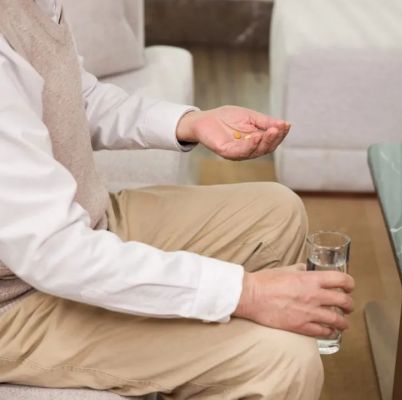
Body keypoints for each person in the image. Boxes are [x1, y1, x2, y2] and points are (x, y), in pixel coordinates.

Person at [0, 0, 355, 398]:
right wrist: (248, 293)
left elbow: (76, 96)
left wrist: (189, 122)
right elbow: (57, 255)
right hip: (17, 304)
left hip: (81, 225)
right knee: (285, 361)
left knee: (278, 213)